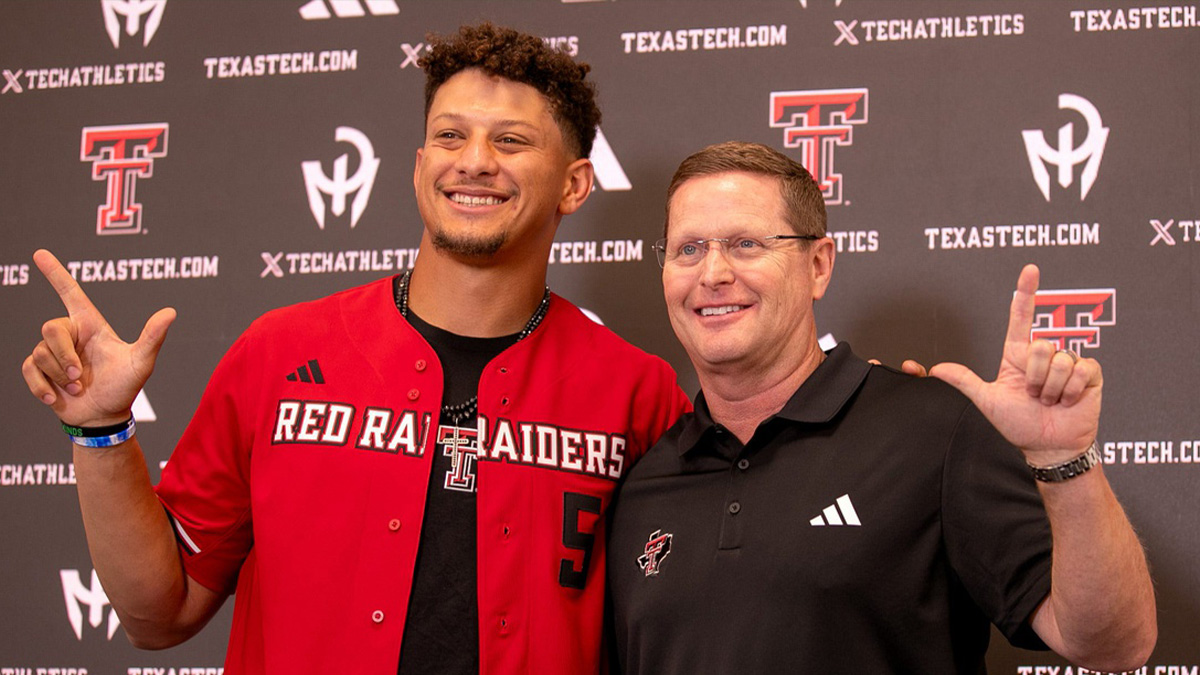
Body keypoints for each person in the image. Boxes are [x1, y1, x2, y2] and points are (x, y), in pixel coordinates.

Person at [22, 24, 689, 674]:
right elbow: (158, 612)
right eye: (450, 135)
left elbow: (678, 623)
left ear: (574, 184)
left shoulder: (638, 391)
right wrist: (100, 429)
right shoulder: (280, 352)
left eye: (511, 140)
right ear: (420, 166)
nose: (476, 159)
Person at [607, 141, 1156, 674]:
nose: (712, 274)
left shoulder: (934, 431)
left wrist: (1065, 460)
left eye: (746, 244)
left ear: (818, 266)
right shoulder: (644, 483)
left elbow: (1116, 645)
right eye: (688, 249)